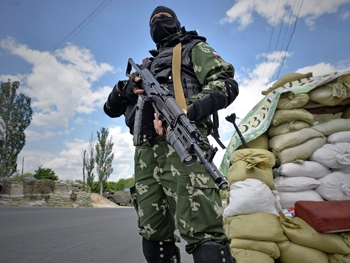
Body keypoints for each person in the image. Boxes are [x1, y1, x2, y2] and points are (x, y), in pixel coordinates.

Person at [104, 6, 239, 263]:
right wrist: (127, 89)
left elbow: (225, 83)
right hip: (145, 152)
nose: (158, 22)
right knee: (153, 233)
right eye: (153, 20)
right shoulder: (144, 68)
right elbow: (110, 109)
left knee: (203, 230)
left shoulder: (193, 49)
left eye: (164, 18)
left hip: (184, 144)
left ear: (177, 23)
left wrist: (187, 111)